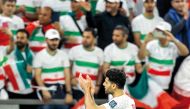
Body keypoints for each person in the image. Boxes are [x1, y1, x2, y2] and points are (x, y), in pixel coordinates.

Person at [138, 21, 189, 91]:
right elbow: (141, 57)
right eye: (157, 30)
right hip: (149, 85)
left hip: (165, 87)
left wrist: (174, 39)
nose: (157, 33)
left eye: (161, 31)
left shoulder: (173, 46)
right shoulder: (151, 44)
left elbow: (185, 52)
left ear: (167, 33)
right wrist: (145, 42)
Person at [34, 29, 73, 109]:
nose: (54, 42)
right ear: (46, 40)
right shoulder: (39, 56)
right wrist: (44, 90)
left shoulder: (64, 55)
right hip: (47, 87)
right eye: (52, 40)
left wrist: (69, 93)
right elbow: (37, 76)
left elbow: (67, 75)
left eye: (56, 40)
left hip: (61, 89)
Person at [69, 27, 104, 100]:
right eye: (83, 37)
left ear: (94, 39)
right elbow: (69, 67)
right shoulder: (74, 50)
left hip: (92, 89)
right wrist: (72, 78)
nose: (84, 39)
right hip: (77, 89)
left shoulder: (100, 52)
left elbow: (100, 71)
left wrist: (98, 85)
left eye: (88, 37)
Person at [6, 29, 37, 109]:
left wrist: (31, 72)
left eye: (22, 38)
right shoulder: (11, 53)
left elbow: (34, 73)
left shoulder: (31, 55)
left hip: (28, 92)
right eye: (18, 37)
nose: (19, 40)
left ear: (27, 40)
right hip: (13, 92)